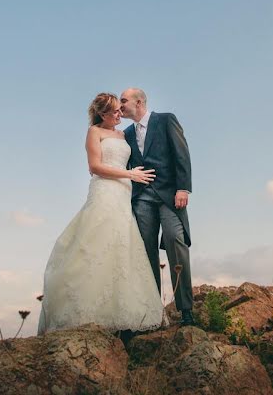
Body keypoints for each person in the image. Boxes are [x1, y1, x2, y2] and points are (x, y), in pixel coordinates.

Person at [37, 93, 165, 334]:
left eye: (120, 109)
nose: (119, 114)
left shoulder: (122, 134)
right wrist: (129, 174)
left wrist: (132, 173)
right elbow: (94, 166)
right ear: (102, 114)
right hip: (104, 190)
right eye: (115, 111)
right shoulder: (94, 132)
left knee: (121, 245)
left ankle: (122, 311)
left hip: (123, 193)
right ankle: (87, 312)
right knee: (98, 241)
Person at [120, 88, 195, 326]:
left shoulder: (165, 120)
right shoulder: (126, 133)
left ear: (139, 102)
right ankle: (153, 311)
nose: (120, 106)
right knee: (146, 252)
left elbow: (181, 154)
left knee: (175, 239)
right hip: (141, 197)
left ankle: (186, 310)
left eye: (124, 101)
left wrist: (183, 188)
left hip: (169, 194)